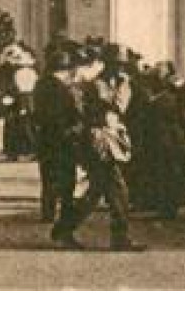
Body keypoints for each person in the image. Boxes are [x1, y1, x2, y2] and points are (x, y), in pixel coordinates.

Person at [53, 46, 145, 252]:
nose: (120, 69)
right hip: (99, 140)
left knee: (95, 193)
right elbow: (109, 108)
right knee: (118, 190)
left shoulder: (119, 83)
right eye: (117, 65)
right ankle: (120, 237)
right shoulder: (95, 85)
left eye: (122, 65)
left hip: (112, 139)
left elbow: (123, 109)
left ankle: (64, 229)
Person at [139, 62, 185, 219]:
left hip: (172, 135)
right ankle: (166, 205)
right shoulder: (157, 94)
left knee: (172, 169)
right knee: (165, 170)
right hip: (164, 135)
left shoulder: (172, 91)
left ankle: (170, 205)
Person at [33, 45, 82, 225]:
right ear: (63, 69)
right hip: (61, 138)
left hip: (45, 137)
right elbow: (61, 115)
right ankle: (65, 215)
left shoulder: (41, 83)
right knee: (66, 178)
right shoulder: (59, 88)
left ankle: (48, 211)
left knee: (47, 176)